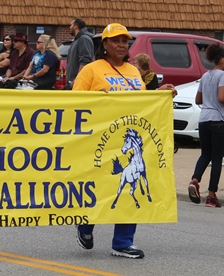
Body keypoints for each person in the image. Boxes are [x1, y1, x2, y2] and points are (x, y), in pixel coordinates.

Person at [73, 23, 177, 259]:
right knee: (100, 188)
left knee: (133, 188)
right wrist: (94, 100)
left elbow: (139, 103)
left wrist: (159, 94)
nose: (121, 44)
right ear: (105, 44)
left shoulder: (132, 71)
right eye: (116, 40)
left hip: (129, 137)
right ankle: (85, 226)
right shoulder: (91, 70)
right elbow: (74, 103)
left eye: (124, 41)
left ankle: (122, 243)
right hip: (99, 141)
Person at [187, 43, 224, 207]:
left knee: (205, 154)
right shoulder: (222, 75)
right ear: (222, 60)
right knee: (217, 158)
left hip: (204, 119)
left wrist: (209, 100)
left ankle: (194, 181)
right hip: (218, 120)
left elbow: (198, 100)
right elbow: (222, 98)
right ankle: (211, 196)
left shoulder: (205, 76)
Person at [65, 18, 94, 90]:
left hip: (78, 84)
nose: (70, 27)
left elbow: (85, 61)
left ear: (75, 26)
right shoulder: (76, 40)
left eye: (71, 25)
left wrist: (77, 80)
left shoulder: (84, 39)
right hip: (71, 83)